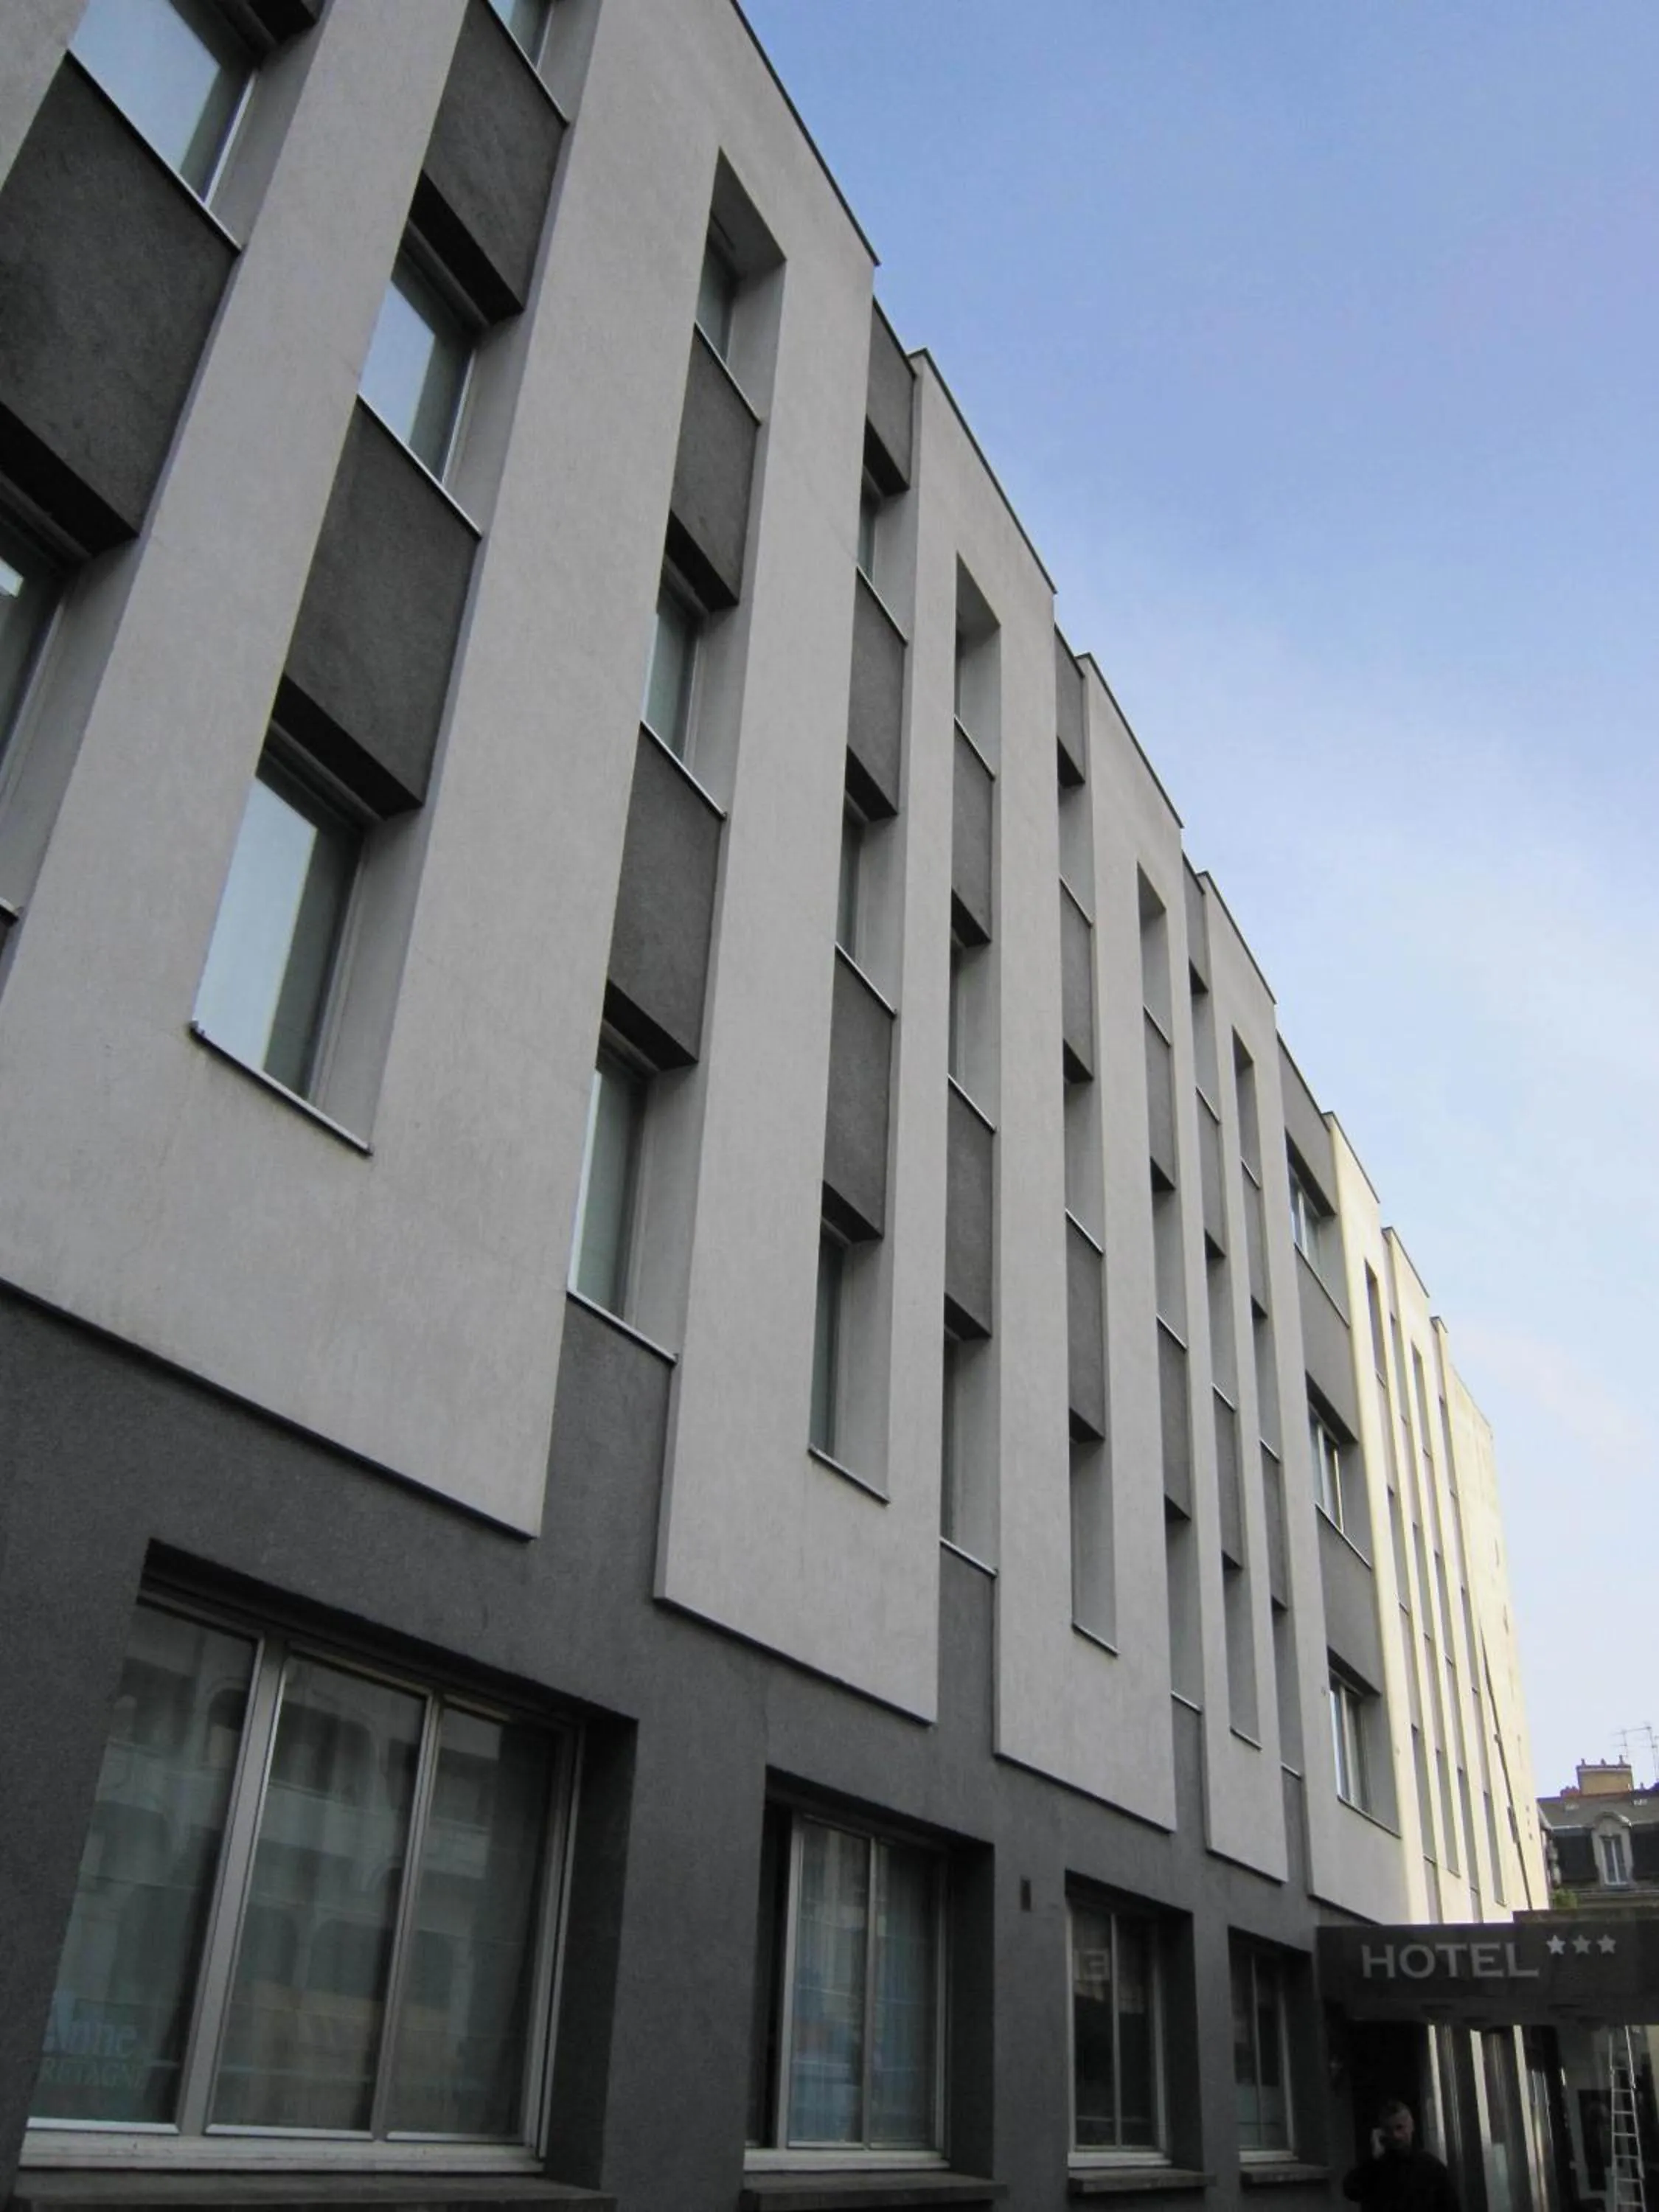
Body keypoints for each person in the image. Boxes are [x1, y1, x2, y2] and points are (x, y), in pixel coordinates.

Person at [1342, 2099, 1461, 2212]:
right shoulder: (1376, 2168)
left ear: (1411, 2127)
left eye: (1400, 2128)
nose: (1395, 2135)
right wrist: (1374, 2160)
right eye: (1389, 2130)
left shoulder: (1431, 2168)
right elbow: (1350, 2191)